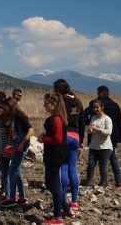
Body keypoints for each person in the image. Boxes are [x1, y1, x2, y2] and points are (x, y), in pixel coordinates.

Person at [40, 93, 71, 224]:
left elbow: (58, 139)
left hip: (55, 155)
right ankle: (66, 208)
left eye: (46, 103)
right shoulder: (56, 118)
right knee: (50, 183)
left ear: (53, 104)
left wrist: (44, 139)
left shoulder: (56, 119)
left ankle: (57, 216)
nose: (44, 105)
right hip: (53, 154)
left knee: (54, 184)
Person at [53, 79, 84, 210]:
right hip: (76, 136)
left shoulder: (61, 101)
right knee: (73, 168)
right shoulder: (78, 101)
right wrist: (81, 141)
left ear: (58, 90)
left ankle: (63, 201)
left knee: (63, 168)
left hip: (65, 136)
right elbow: (82, 123)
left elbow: (58, 120)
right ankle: (75, 201)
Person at [0, 97, 34, 207]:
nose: (4, 108)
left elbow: (31, 130)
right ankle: (22, 198)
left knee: (11, 171)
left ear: (11, 106)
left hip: (21, 147)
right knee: (17, 171)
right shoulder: (13, 117)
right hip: (16, 147)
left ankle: (12, 198)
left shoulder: (20, 116)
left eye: (6, 106)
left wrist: (22, 143)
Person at [95, 86, 121, 188]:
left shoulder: (96, 106)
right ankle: (119, 180)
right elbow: (119, 122)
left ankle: (102, 181)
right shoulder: (115, 105)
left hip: (100, 137)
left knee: (100, 160)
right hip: (113, 136)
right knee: (114, 158)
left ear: (100, 93)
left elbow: (87, 118)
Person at [85, 100, 113, 187]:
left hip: (105, 146)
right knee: (91, 164)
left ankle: (103, 183)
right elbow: (90, 129)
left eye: (97, 107)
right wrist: (89, 130)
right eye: (94, 107)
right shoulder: (93, 118)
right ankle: (89, 182)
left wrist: (98, 130)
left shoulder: (107, 119)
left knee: (102, 165)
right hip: (94, 145)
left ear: (102, 107)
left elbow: (109, 132)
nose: (95, 109)